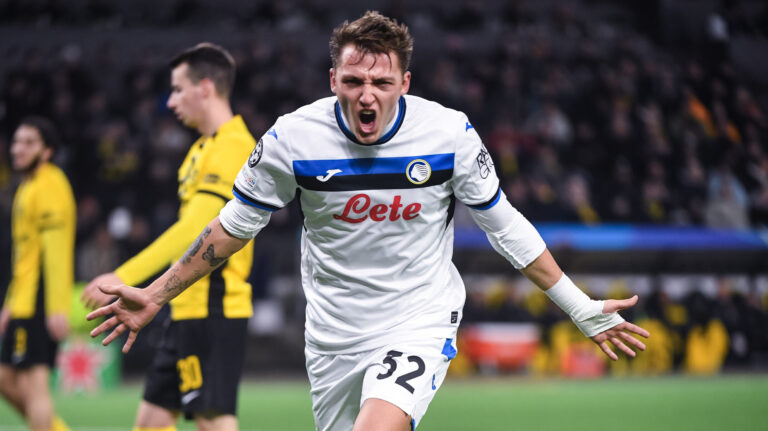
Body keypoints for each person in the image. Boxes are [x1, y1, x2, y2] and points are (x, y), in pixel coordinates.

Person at [88, 12, 650, 431]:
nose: (367, 96)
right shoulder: (293, 139)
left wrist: (578, 306)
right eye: (355, 81)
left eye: (382, 83)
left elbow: (506, 227)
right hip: (332, 336)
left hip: (417, 319)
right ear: (333, 79)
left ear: (405, 83)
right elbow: (231, 226)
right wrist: (156, 294)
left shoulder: (448, 135)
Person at [81, 43, 257, 431]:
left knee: (212, 421)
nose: (171, 101)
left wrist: (125, 274)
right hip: (183, 307)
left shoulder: (234, 146)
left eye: (177, 89)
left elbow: (196, 228)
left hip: (213, 307)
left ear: (205, 88)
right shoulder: (200, 149)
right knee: (151, 424)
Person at [0, 117, 74, 431]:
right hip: (24, 300)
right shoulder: (28, 186)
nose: (18, 149)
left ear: (47, 151)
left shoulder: (50, 185)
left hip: (40, 300)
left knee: (35, 387)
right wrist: (10, 303)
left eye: (29, 142)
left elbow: (55, 252)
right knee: (5, 377)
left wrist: (57, 307)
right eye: (17, 141)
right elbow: (25, 257)